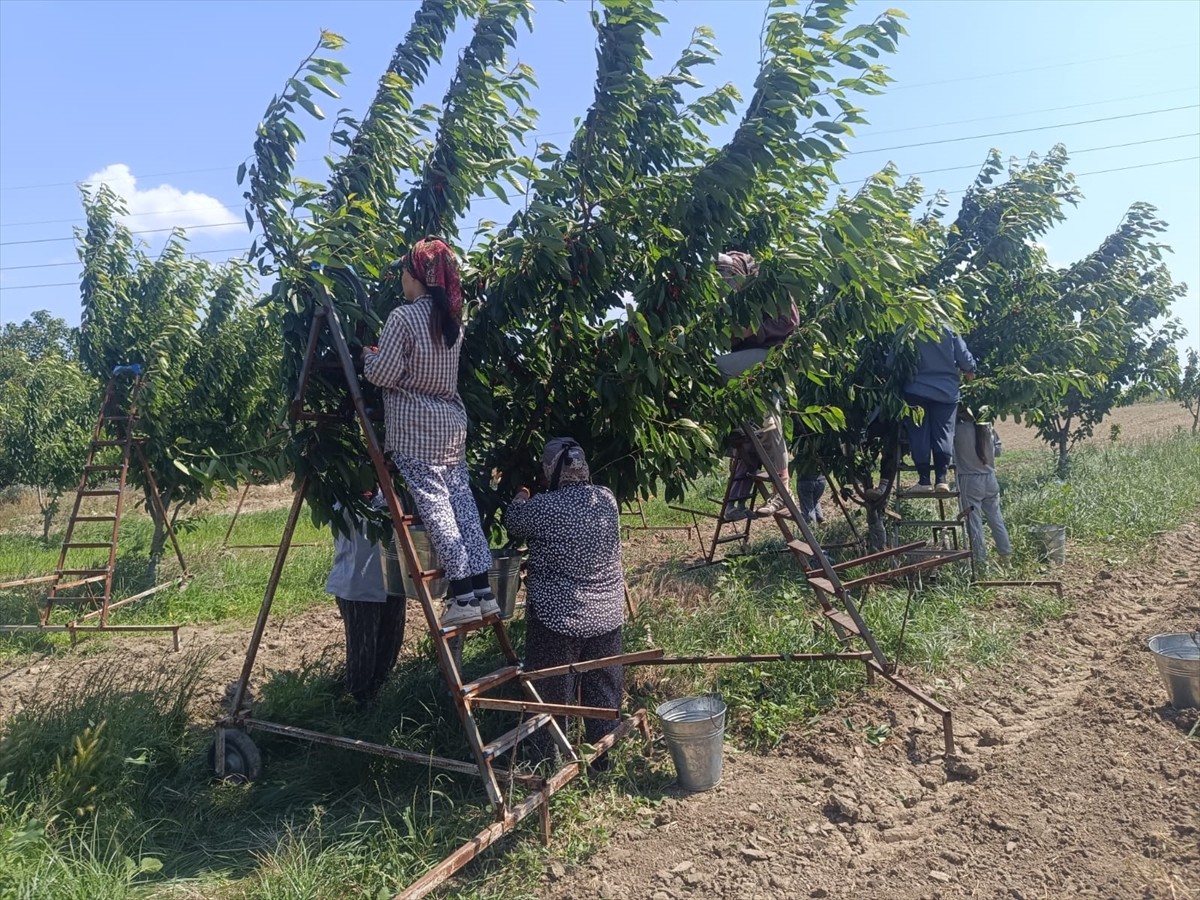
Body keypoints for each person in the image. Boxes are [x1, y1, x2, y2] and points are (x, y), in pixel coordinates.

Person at [363, 237, 498, 628]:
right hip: (450, 427)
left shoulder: (403, 318)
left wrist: (367, 358)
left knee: (436, 509)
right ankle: (482, 591)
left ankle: (460, 594)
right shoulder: (453, 320)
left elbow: (385, 373)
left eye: (405, 273)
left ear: (418, 276)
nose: (402, 281)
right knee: (463, 507)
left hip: (416, 429)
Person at [505, 438, 625, 767]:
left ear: (550, 470)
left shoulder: (544, 506)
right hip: (607, 612)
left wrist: (523, 493)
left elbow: (513, 522)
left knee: (550, 692)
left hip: (560, 617)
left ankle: (547, 762)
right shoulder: (606, 499)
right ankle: (603, 758)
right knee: (603, 688)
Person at [713, 251, 800, 519]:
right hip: (753, 368)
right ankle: (743, 499)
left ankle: (783, 491)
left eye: (729, 275)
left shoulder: (769, 290)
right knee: (759, 429)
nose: (726, 281)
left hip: (774, 357)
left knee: (719, 367)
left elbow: (791, 323)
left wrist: (753, 330)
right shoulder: (732, 301)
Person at [325, 492, 406, 702]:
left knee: (390, 645)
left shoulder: (390, 495)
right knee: (362, 652)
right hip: (357, 587)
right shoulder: (341, 500)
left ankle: (378, 697)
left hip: (393, 585)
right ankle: (356, 701)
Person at [900, 326, 976, 492]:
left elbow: (893, 358)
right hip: (946, 391)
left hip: (915, 390)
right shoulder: (949, 329)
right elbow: (963, 356)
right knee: (944, 433)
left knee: (919, 433)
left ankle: (924, 480)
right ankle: (941, 480)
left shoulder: (909, 327)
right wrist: (970, 369)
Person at [953, 407, 1012, 565]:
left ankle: (980, 562)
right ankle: (1006, 557)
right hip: (990, 478)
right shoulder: (987, 427)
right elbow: (998, 451)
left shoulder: (956, 430)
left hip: (969, 480)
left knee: (974, 522)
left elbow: (950, 458)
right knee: (996, 519)